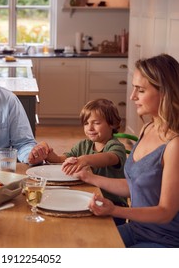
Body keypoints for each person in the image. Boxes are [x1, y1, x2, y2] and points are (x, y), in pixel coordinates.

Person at [74, 54, 179, 248]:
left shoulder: (175, 145)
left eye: (140, 90)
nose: (132, 97)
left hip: (165, 241)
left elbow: (165, 212)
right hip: (136, 230)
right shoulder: (147, 128)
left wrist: (114, 210)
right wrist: (89, 178)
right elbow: (135, 186)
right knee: (79, 244)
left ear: (164, 92)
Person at [35, 98, 128, 224]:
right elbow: (61, 159)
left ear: (112, 124)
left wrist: (85, 159)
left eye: (96, 123)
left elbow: (109, 157)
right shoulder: (84, 145)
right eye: (86, 123)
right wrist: (47, 154)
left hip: (113, 206)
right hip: (89, 199)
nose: (90, 128)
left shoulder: (116, 146)